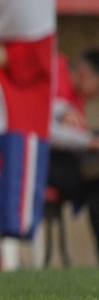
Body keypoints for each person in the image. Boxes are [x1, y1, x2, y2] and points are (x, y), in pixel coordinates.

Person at [50, 50, 99, 255]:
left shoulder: (76, 98)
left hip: (69, 162)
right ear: (83, 73)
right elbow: (42, 127)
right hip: (40, 161)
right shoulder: (53, 73)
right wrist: (89, 141)